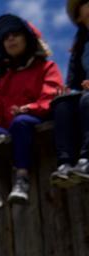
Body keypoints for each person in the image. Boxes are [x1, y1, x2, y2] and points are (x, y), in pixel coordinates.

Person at [0, 14, 63, 215]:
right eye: (5, 37)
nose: (10, 39)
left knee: (20, 122)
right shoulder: (3, 79)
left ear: (28, 39)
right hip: (8, 126)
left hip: (35, 119)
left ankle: (21, 180)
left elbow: (51, 96)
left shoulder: (47, 67)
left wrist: (28, 108)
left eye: (15, 34)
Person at [50, 0, 89, 187]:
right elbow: (74, 82)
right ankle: (65, 164)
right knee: (62, 104)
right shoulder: (81, 45)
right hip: (84, 92)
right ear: (79, 17)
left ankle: (86, 160)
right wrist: (68, 90)